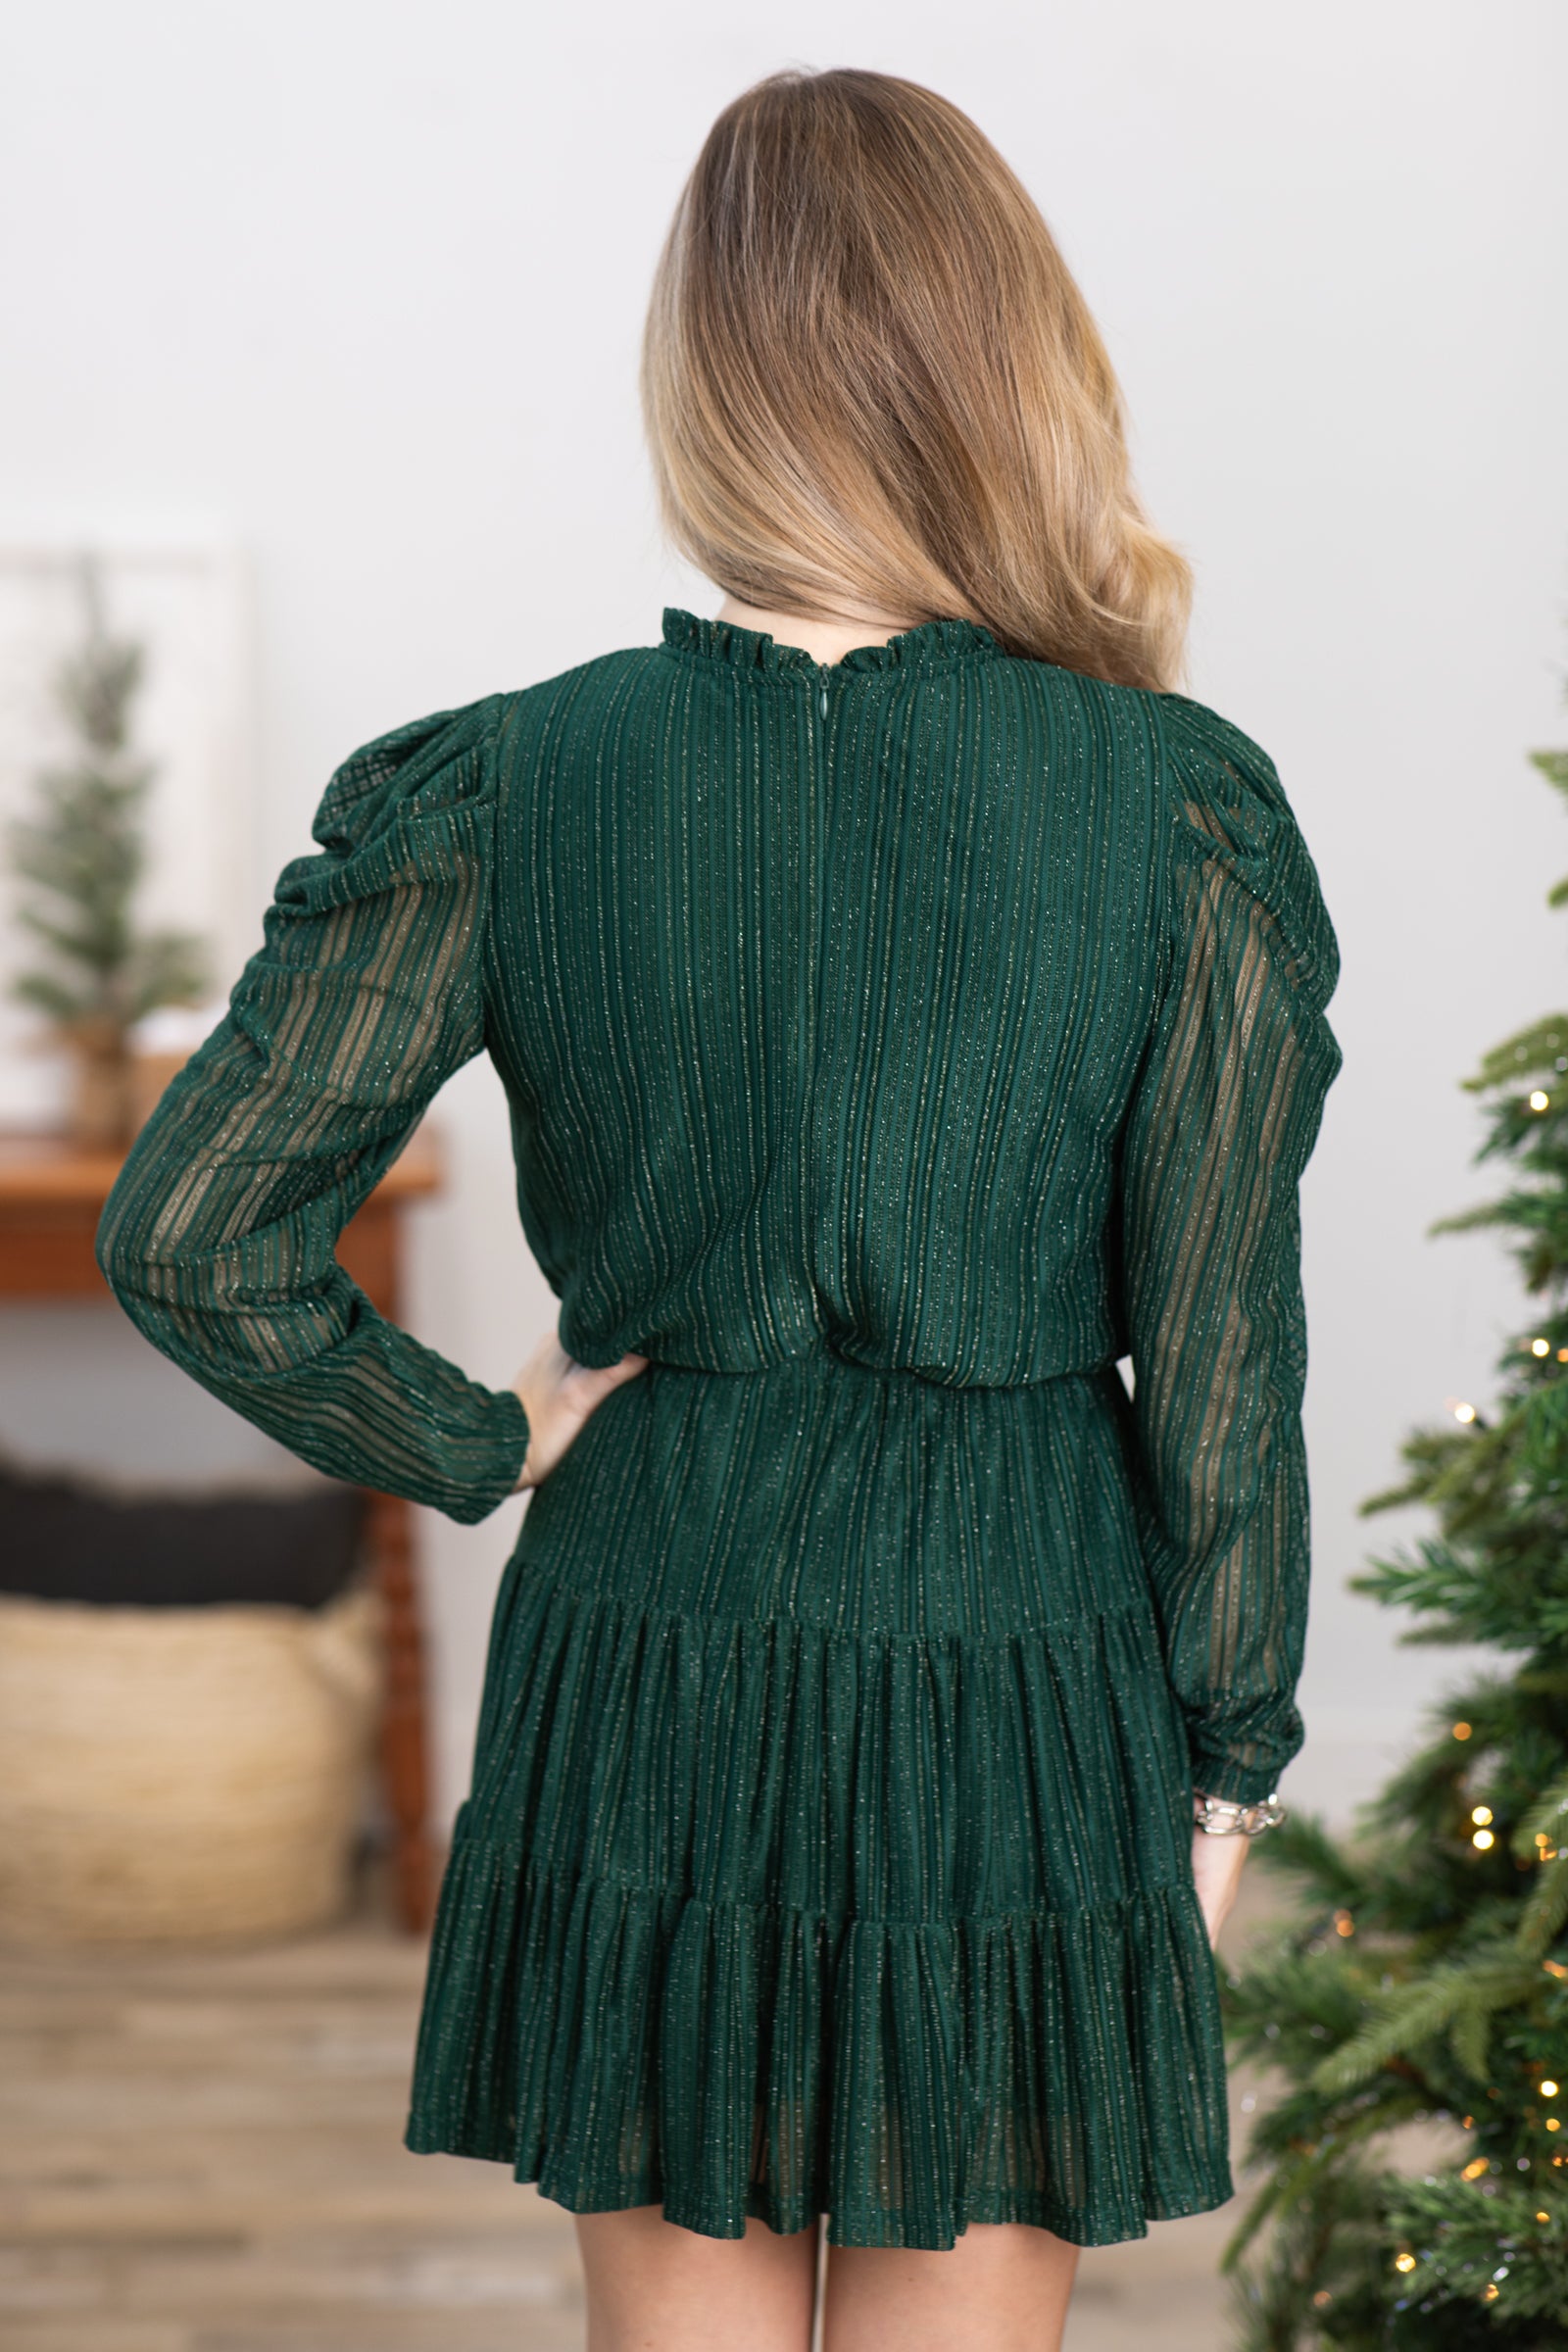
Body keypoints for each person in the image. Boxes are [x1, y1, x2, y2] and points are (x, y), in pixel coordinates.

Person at [96, 65, 1343, 2352]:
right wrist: (1228, 1757)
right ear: (1009, 366)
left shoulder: (511, 778)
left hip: (655, 1622)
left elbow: (193, 1233)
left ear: (705, 381)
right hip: (1013, 1645)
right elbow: (1217, 1342)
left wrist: (483, 1435)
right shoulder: (1174, 807)